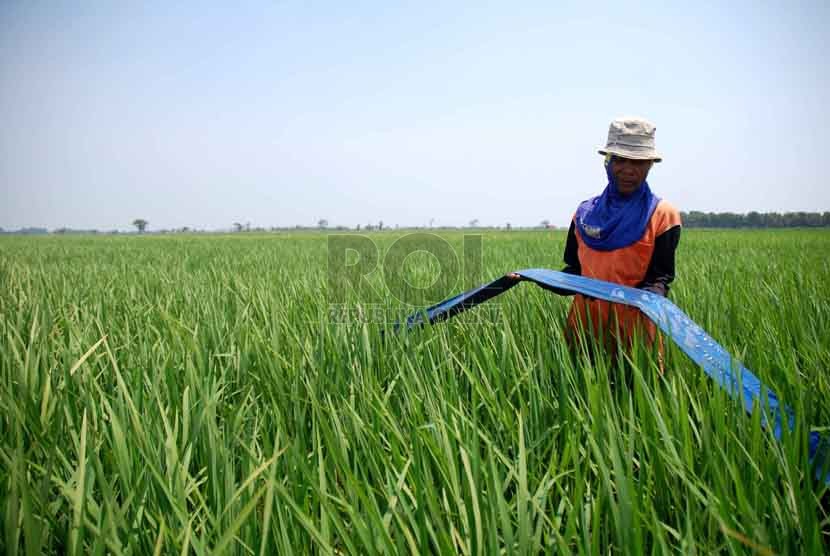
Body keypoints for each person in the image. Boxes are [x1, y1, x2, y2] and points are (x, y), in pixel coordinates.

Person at [514, 116, 681, 367]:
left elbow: (661, 278)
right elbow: (574, 273)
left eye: (638, 162)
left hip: (635, 331)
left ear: (650, 165)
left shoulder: (663, 215)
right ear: (608, 162)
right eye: (620, 160)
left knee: (635, 401)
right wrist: (535, 277)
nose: (628, 169)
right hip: (584, 327)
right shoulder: (583, 214)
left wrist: (641, 300)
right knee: (581, 396)